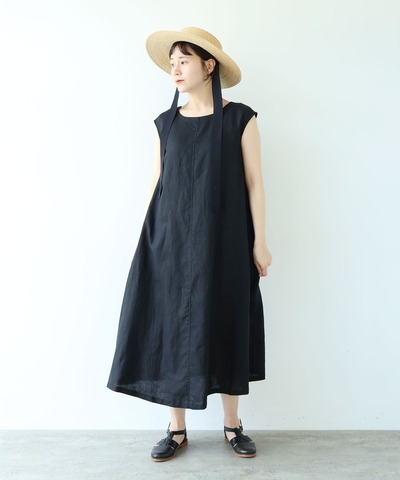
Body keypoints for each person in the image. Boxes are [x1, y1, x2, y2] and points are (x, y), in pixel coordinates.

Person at [106, 26, 272, 462]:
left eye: (184, 61)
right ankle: (176, 428)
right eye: (172, 63)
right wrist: (146, 241)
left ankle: (232, 425)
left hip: (227, 241)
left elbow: (255, 183)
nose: (176, 70)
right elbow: (158, 183)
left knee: (228, 318)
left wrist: (260, 242)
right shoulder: (166, 123)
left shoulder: (241, 118)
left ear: (208, 65)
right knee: (170, 324)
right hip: (170, 243)